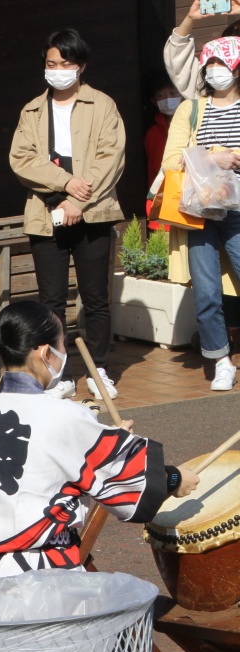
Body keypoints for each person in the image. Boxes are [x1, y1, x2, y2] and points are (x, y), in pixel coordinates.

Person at [0, 301, 200, 582]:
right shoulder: (64, 414)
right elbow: (127, 481)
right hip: (38, 577)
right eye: (62, 345)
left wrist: (109, 439)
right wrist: (174, 479)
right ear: (46, 352)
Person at [9, 28, 126, 401]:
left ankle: (99, 369)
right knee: (51, 301)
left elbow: (111, 158)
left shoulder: (102, 105)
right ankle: (58, 373)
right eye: (51, 63)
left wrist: (78, 201)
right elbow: (21, 159)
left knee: (95, 297)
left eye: (65, 63)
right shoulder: (32, 110)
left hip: (93, 212)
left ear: (82, 65)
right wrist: (65, 184)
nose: (57, 70)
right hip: (45, 214)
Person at [162, 36, 240, 391]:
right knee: (206, 290)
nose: (214, 71)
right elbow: (170, 160)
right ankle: (220, 359)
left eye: (221, 64)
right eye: (209, 65)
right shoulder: (190, 109)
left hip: (237, 209)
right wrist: (212, 157)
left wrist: (231, 157)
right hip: (200, 209)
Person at [164, 2, 240, 97]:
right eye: (211, 61)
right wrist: (190, 18)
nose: (216, 65)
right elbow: (177, 55)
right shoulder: (205, 85)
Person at [145, 75, 182, 231]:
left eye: (173, 93)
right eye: (161, 96)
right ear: (154, 101)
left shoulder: (195, 125)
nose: (168, 99)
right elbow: (153, 172)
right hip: (166, 200)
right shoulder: (153, 134)